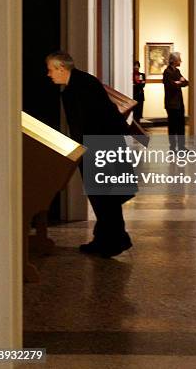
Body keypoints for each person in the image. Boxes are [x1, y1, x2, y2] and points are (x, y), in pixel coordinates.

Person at [46, 51, 134, 257]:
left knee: (106, 197)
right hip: (98, 146)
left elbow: (94, 121)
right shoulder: (78, 84)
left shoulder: (81, 86)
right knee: (103, 197)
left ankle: (114, 241)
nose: (49, 74)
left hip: (101, 147)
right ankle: (106, 239)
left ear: (61, 68)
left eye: (50, 70)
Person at [163, 52, 189, 151]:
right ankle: (173, 147)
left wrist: (179, 82)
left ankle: (182, 147)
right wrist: (178, 82)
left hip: (179, 103)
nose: (180, 61)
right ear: (174, 61)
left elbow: (186, 82)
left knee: (181, 125)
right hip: (171, 104)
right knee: (173, 126)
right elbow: (170, 86)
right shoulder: (167, 72)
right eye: (179, 60)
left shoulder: (177, 71)